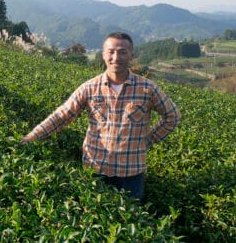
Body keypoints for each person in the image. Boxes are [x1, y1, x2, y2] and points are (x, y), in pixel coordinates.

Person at [20, 32, 180, 201]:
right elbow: (62, 115)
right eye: (111, 51)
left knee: (130, 220)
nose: (116, 57)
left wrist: (148, 139)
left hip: (131, 173)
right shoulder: (90, 88)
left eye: (122, 52)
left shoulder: (148, 88)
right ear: (103, 55)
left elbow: (172, 116)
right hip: (96, 169)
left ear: (131, 56)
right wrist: (32, 137)